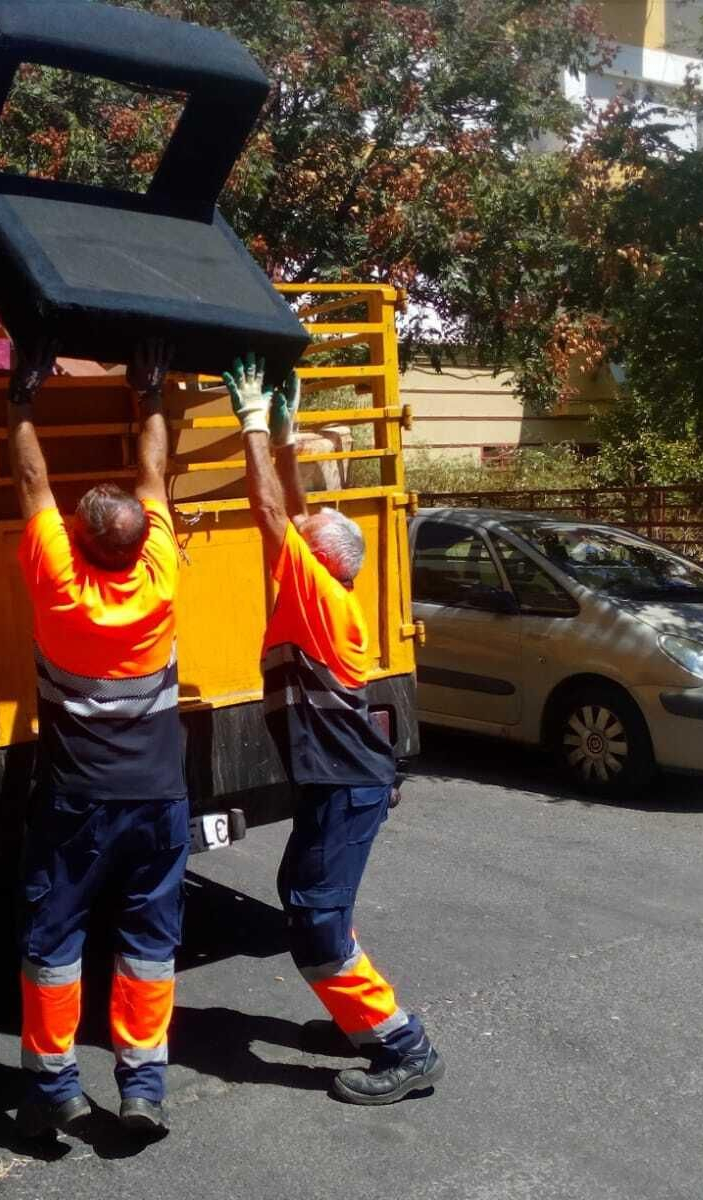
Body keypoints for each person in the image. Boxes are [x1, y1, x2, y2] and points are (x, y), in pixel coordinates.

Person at [222, 352, 444, 1105]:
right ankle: (360, 1018)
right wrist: (288, 436)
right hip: (343, 781)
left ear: (315, 562)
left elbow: (270, 511)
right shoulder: (322, 590)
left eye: (307, 529)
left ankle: (403, 1047)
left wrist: (252, 424)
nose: (298, 525)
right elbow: (291, 507)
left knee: (316, 920)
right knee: (302, 894)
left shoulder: (313, 596)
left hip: (348, 784)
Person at [8, 339, 188, 1139]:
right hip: (159, 800)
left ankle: (55, 1090)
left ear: (79, 545)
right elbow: (155, 477)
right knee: (149, 942)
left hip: (77, 802)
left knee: (55, 939)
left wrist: (19, 400)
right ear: (141, 539)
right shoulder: (162, 575)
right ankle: (142, 1086)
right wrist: (149, 392)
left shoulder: (60, 586)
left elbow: (32, 481)